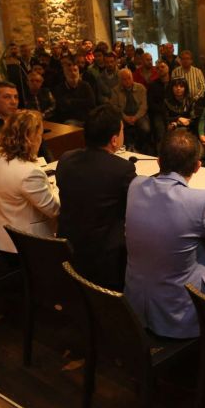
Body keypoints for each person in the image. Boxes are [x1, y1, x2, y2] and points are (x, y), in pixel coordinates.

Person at [124, 130, 205, 339]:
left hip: (134, 305)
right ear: (198, 166)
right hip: (177, 314)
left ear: (159, 161)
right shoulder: (203, 200)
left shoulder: (135, 186)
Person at [56, 105, 136, 290]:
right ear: (115, 140)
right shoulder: (122, 169)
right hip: (104, 260)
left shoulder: (66, 159)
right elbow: (135, 209)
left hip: (69, 250)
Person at [0, 110, 59, 262]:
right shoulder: (29, 171)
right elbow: (54, 210)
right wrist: (60, 190)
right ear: (31, 138)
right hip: (20, 245)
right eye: (40, 134)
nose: (41, 139)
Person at [111, 68, 150, 151]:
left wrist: (135, 117)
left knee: (145, 128)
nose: (127, 81)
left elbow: (144, 106)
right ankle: (126, 147)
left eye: (129, 78)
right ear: (120, 81)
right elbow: (114, 107)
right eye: (124, 79)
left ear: (132, 77)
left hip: (139, 115)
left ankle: (139, 147)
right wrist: (125, 117)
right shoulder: (115, 90)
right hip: (123, 116)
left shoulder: (141, 88)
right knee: (117, 128)